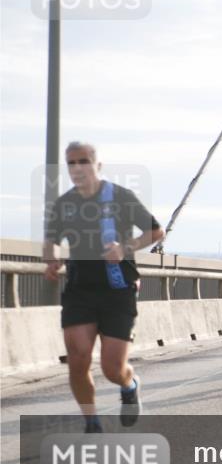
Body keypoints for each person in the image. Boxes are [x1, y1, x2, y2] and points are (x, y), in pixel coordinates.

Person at [43, 142, 163, 433]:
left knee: (112, 368)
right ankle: (91, 421)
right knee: (78, 357)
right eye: (71, 163)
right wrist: (51, 260)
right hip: (80, 290)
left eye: (83, 161)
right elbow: (52, 240)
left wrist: (126, 247)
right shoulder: (64, 204)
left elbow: (155, 231)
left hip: (117, 289)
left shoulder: (120, 197)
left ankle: (129, 384)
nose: (77, 168)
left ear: (97, 165)